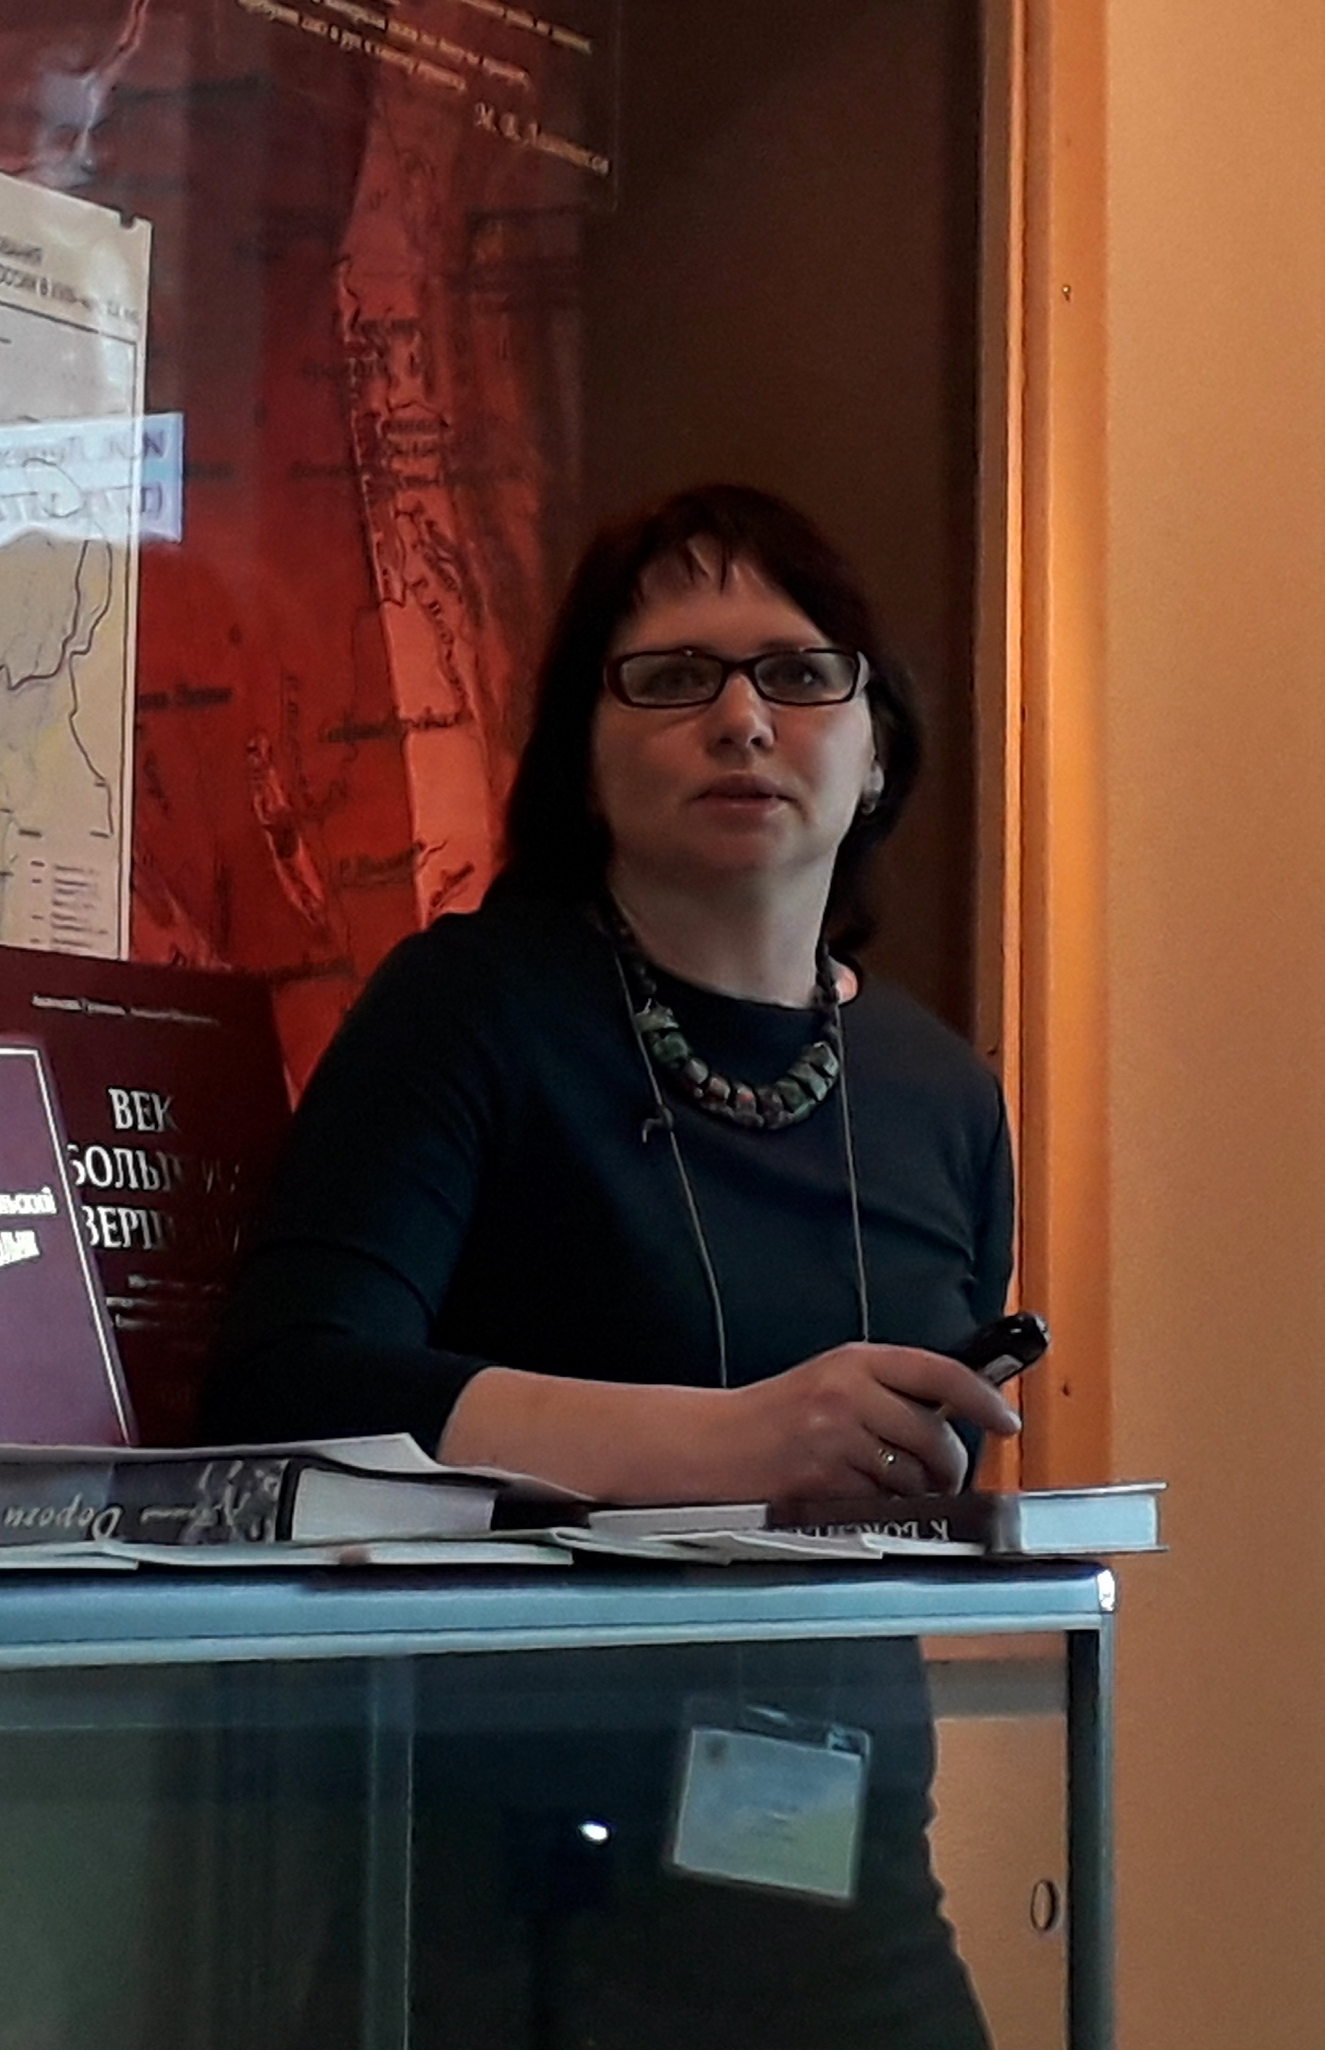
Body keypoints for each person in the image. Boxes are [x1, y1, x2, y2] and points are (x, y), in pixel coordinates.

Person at [206, 483, 1022, 2049]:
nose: (741, 717)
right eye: (671, 675)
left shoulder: (942, 1089)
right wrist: (731, 1442)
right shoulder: (470, 1010)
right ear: (583, 754)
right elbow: (287, 1386)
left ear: (879, 746)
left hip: (849, 1917)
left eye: (799, 671)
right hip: (509, 1928)